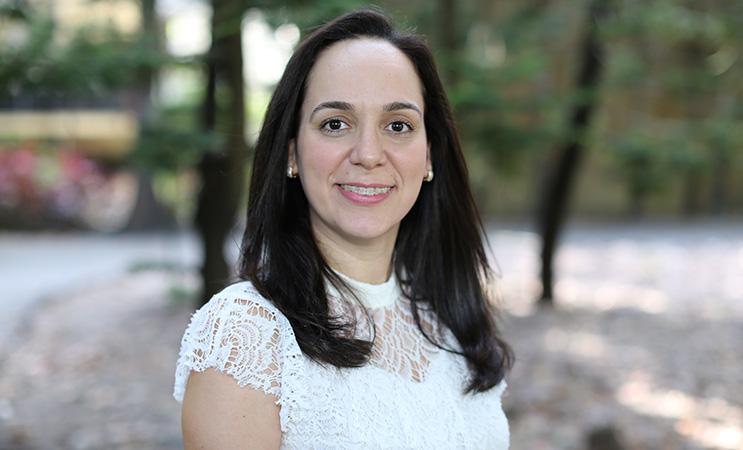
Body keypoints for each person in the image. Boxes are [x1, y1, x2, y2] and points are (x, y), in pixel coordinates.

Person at [173, 9, 513, 449]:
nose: (369, 154)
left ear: (429, 156)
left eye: (398, 126)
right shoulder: (244, 336)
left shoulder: (449, 318)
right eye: (335, 124)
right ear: (292, 153)